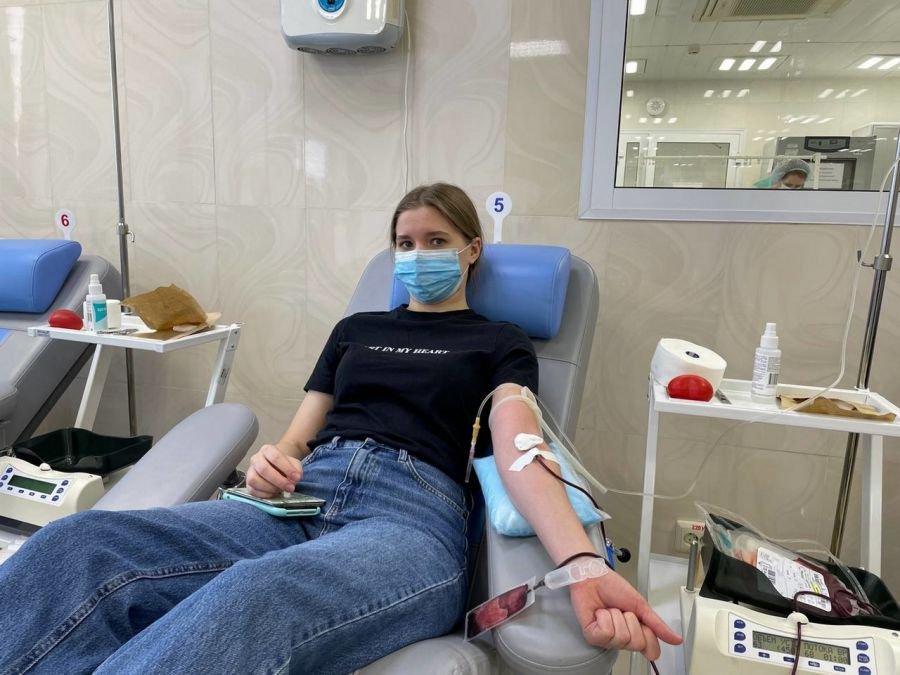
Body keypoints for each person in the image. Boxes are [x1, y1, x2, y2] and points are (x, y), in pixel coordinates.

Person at [0, 183, 680, 674]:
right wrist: (270, 465)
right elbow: (297, 438)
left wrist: (582, 564)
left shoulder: (500, 340)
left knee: (255, 594)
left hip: (410, 519)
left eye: (436, 241)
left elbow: (519, 445)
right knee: (77, 544)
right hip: (300, 497)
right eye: (405, 244)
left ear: (472, 249)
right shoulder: (356, 328)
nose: (417, 255)